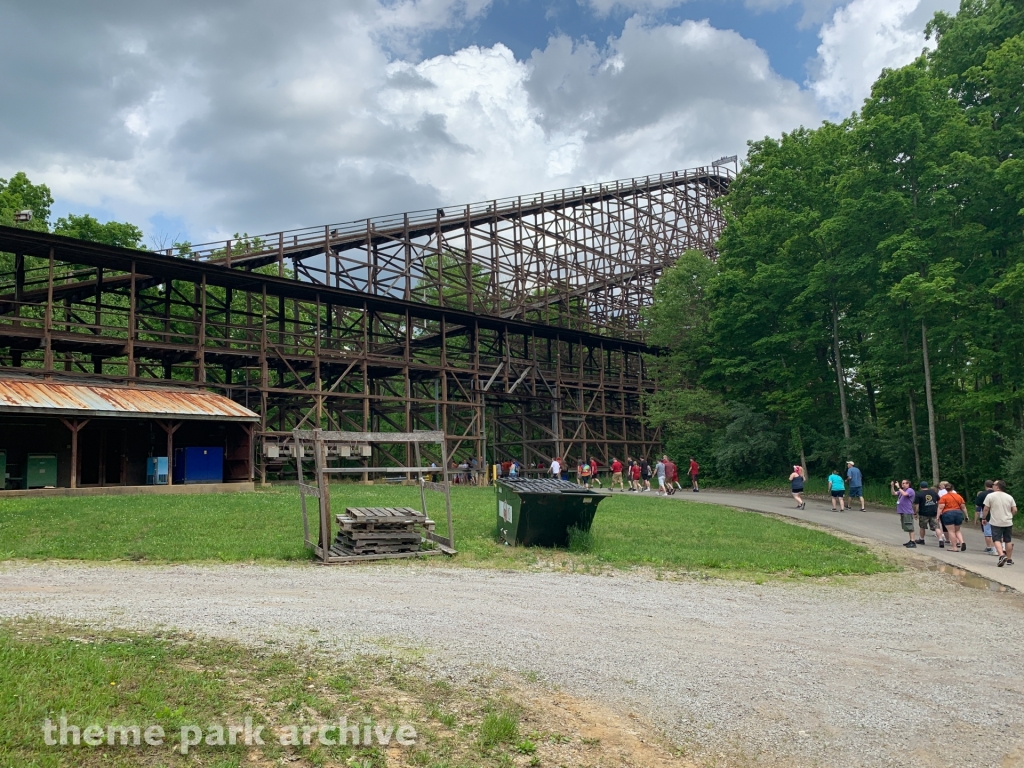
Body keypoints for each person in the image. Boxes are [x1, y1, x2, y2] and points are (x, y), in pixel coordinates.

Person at [984, 480, 1017, 566]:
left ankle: (1002, 555)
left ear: (997, 487)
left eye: (993, 485)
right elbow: (1015, 509)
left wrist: (984, 518)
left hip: (996, 521)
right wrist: (1010, 516)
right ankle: (1009, 559)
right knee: (1008, 540)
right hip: (1008, 521)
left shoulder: (990, 496)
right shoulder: (1009, 497)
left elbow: (986, 509)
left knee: (996, 539)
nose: (992, 486)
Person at [937, 481, 967, 552]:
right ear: (952, 488)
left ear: (945, 489)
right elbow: (963, 507)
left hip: (948, 513)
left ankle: (954, 547)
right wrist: (966, 516)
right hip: (958, 513)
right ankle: (962, 542)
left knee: (951, 531)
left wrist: (938, 516)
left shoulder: (944, 497)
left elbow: (941, 507)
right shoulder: (959, 496)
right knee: (957, 530)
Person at [914, 481, 943, 547]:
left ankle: (922, 539)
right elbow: (939, 500)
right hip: (933, 512)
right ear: (927, 486)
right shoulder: (933, 492)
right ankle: (940, 540)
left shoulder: (919, 494)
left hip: (923, 513)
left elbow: (917, 505)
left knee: (922, 527)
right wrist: (938, 507)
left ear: (920, 487)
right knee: (936, 526)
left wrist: (915, 513)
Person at [891, 479, 917, 547]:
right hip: (902, 511)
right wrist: (892, 486)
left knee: (910, 526)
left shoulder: (910, 490)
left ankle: (913, 541)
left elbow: (905, 494)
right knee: (907, 527)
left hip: (907, 511)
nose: (902, 484)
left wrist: (899, 487)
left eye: (904, 483)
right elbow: (894, 493)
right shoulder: (902, 491)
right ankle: (911, 540)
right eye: (902, 483)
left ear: (908, 484)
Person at [975, 480, 996, 553]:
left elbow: (978, 506)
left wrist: (982, 517)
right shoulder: (997, 494)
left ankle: (989, 547)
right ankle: (998, 547)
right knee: (997, 532)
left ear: (985, 485)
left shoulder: (982, 494)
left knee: (987, 532)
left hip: (987, 515)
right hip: (996, 515)